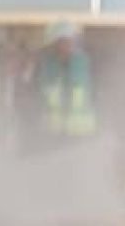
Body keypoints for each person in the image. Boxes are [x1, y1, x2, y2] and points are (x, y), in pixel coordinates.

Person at [32, 21, 96, 149]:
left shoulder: (83, 64)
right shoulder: (47, 65)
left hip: (81, 134)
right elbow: (39, 95)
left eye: (68, 41)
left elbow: (98, 94)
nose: (65, 45)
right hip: (53, 134)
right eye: (60, 41)